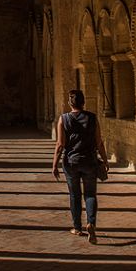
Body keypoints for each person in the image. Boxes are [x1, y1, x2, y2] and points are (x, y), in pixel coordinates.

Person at [52, 89, 109, 244]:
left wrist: (54, 164)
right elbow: (99, 142)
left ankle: (77, 227)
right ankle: (91, 223)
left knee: (74, 195)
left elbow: (60, 144)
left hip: (71, 162)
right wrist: (105, 160)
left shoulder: (63, 119)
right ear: (83, 102)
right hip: (90, 161)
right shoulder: (92, 118)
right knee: (90, 194)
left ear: (70, 103)